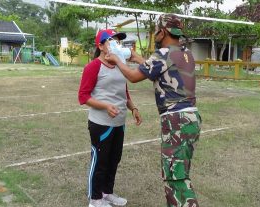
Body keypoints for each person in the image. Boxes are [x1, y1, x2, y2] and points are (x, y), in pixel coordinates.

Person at [105, 14, 202, 207]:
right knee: (181, 172)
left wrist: (117, 60)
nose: (154, 34)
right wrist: (134, 57)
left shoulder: (163, 54)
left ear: (163, 31)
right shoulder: (185, 53)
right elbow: (157, 70)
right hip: (191, 118)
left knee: (175, 178)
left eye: (156, 30)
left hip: (176, 120)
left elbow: (133, 76)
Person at [78, 29, 142, 207]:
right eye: (111, 41)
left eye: (118, 41)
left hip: (119, 123)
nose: (116, 44)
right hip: (101, 123)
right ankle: (95, 199)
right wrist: (105, 106)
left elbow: (124, 91)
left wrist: (133, 108)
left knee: (114, 159)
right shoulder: (93, 67)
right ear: (100, 46)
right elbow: (83, 96)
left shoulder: (120, 64)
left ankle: (107, 193)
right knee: (100, 161)